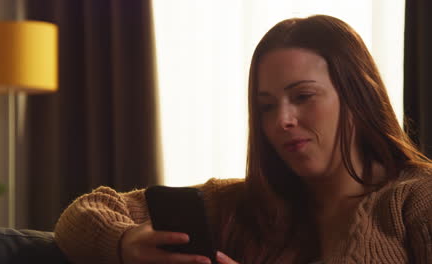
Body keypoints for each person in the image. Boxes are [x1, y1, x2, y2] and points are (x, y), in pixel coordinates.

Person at [54, 15, 432, 264]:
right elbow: (82, 214)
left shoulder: (417, 199)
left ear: (356, 95)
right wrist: (124, 244)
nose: (282, 120)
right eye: (266, 107)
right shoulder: (237, 204)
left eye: (303, 97)